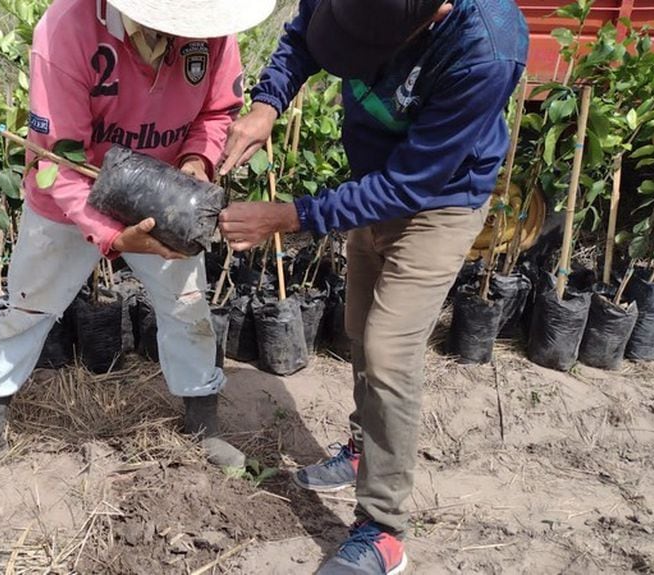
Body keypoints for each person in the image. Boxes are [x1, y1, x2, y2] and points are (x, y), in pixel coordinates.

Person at [217, 0, 528, 573]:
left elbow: (413, 183)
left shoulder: (487, 47)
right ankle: (364, 449)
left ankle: (384, 530)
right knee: (360, 325)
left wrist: (290, 216)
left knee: (388, 350)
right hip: (371, 182)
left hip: (440, 198)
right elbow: (303, 37)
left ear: (431, 15)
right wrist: (267, 103)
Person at [0, 0, 276, 479]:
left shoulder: (212, 27)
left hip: (164, 197)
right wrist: (113, 236)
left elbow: (218, 110)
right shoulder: (67, 29)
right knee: (29, 306)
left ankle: (203, 420)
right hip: (69, 196)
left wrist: (196, 162)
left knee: (187, 307)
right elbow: (58, 158)